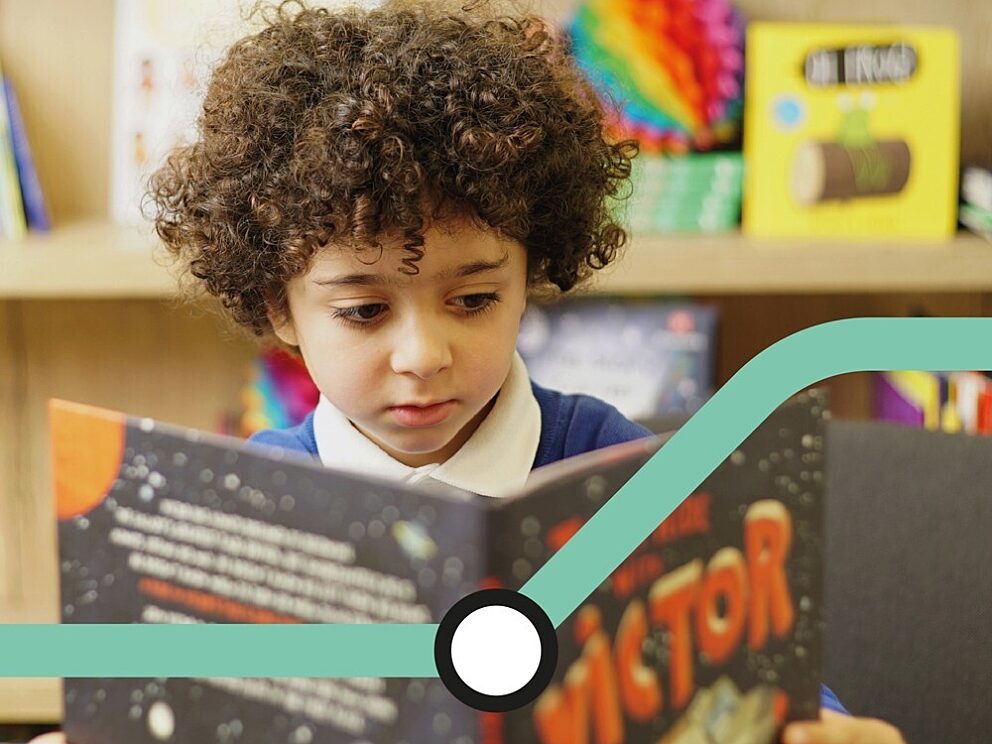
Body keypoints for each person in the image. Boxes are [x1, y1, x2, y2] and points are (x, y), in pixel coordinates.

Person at [32, 1, 905, 742]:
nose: (423, 355)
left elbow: (751, 663)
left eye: (475, 300)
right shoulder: (244, 504)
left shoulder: (614, 462)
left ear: (532, 276)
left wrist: (818, 723)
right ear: (278, 309)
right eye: (365, 311)